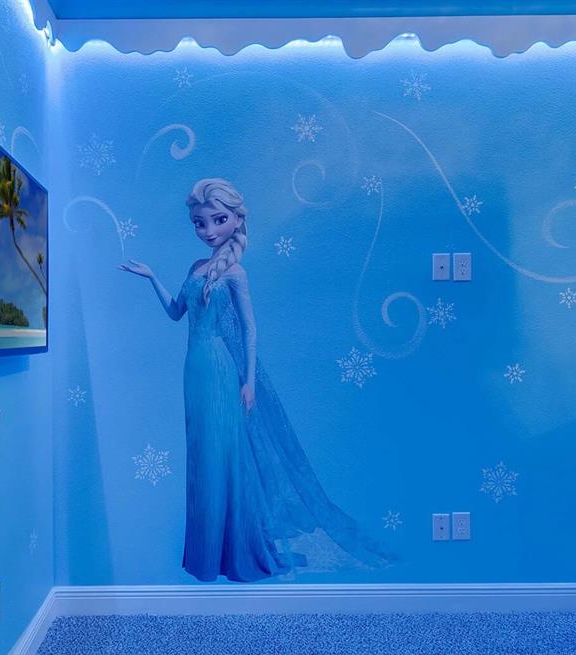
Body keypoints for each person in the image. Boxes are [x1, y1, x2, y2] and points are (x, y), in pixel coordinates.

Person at [120, 178, 396, 582]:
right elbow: (176, 313)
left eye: (218, 220)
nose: (208, 230)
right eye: (199, 223)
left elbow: (250, 331)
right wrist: (151, 277)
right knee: (202, 457)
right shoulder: (195, 269)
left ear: (236, 220)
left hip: (220, 368)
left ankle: (237, 549)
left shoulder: (235, 273)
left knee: (226, 455)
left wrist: (248, 381)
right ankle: (208, 554)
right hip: (193, 371)